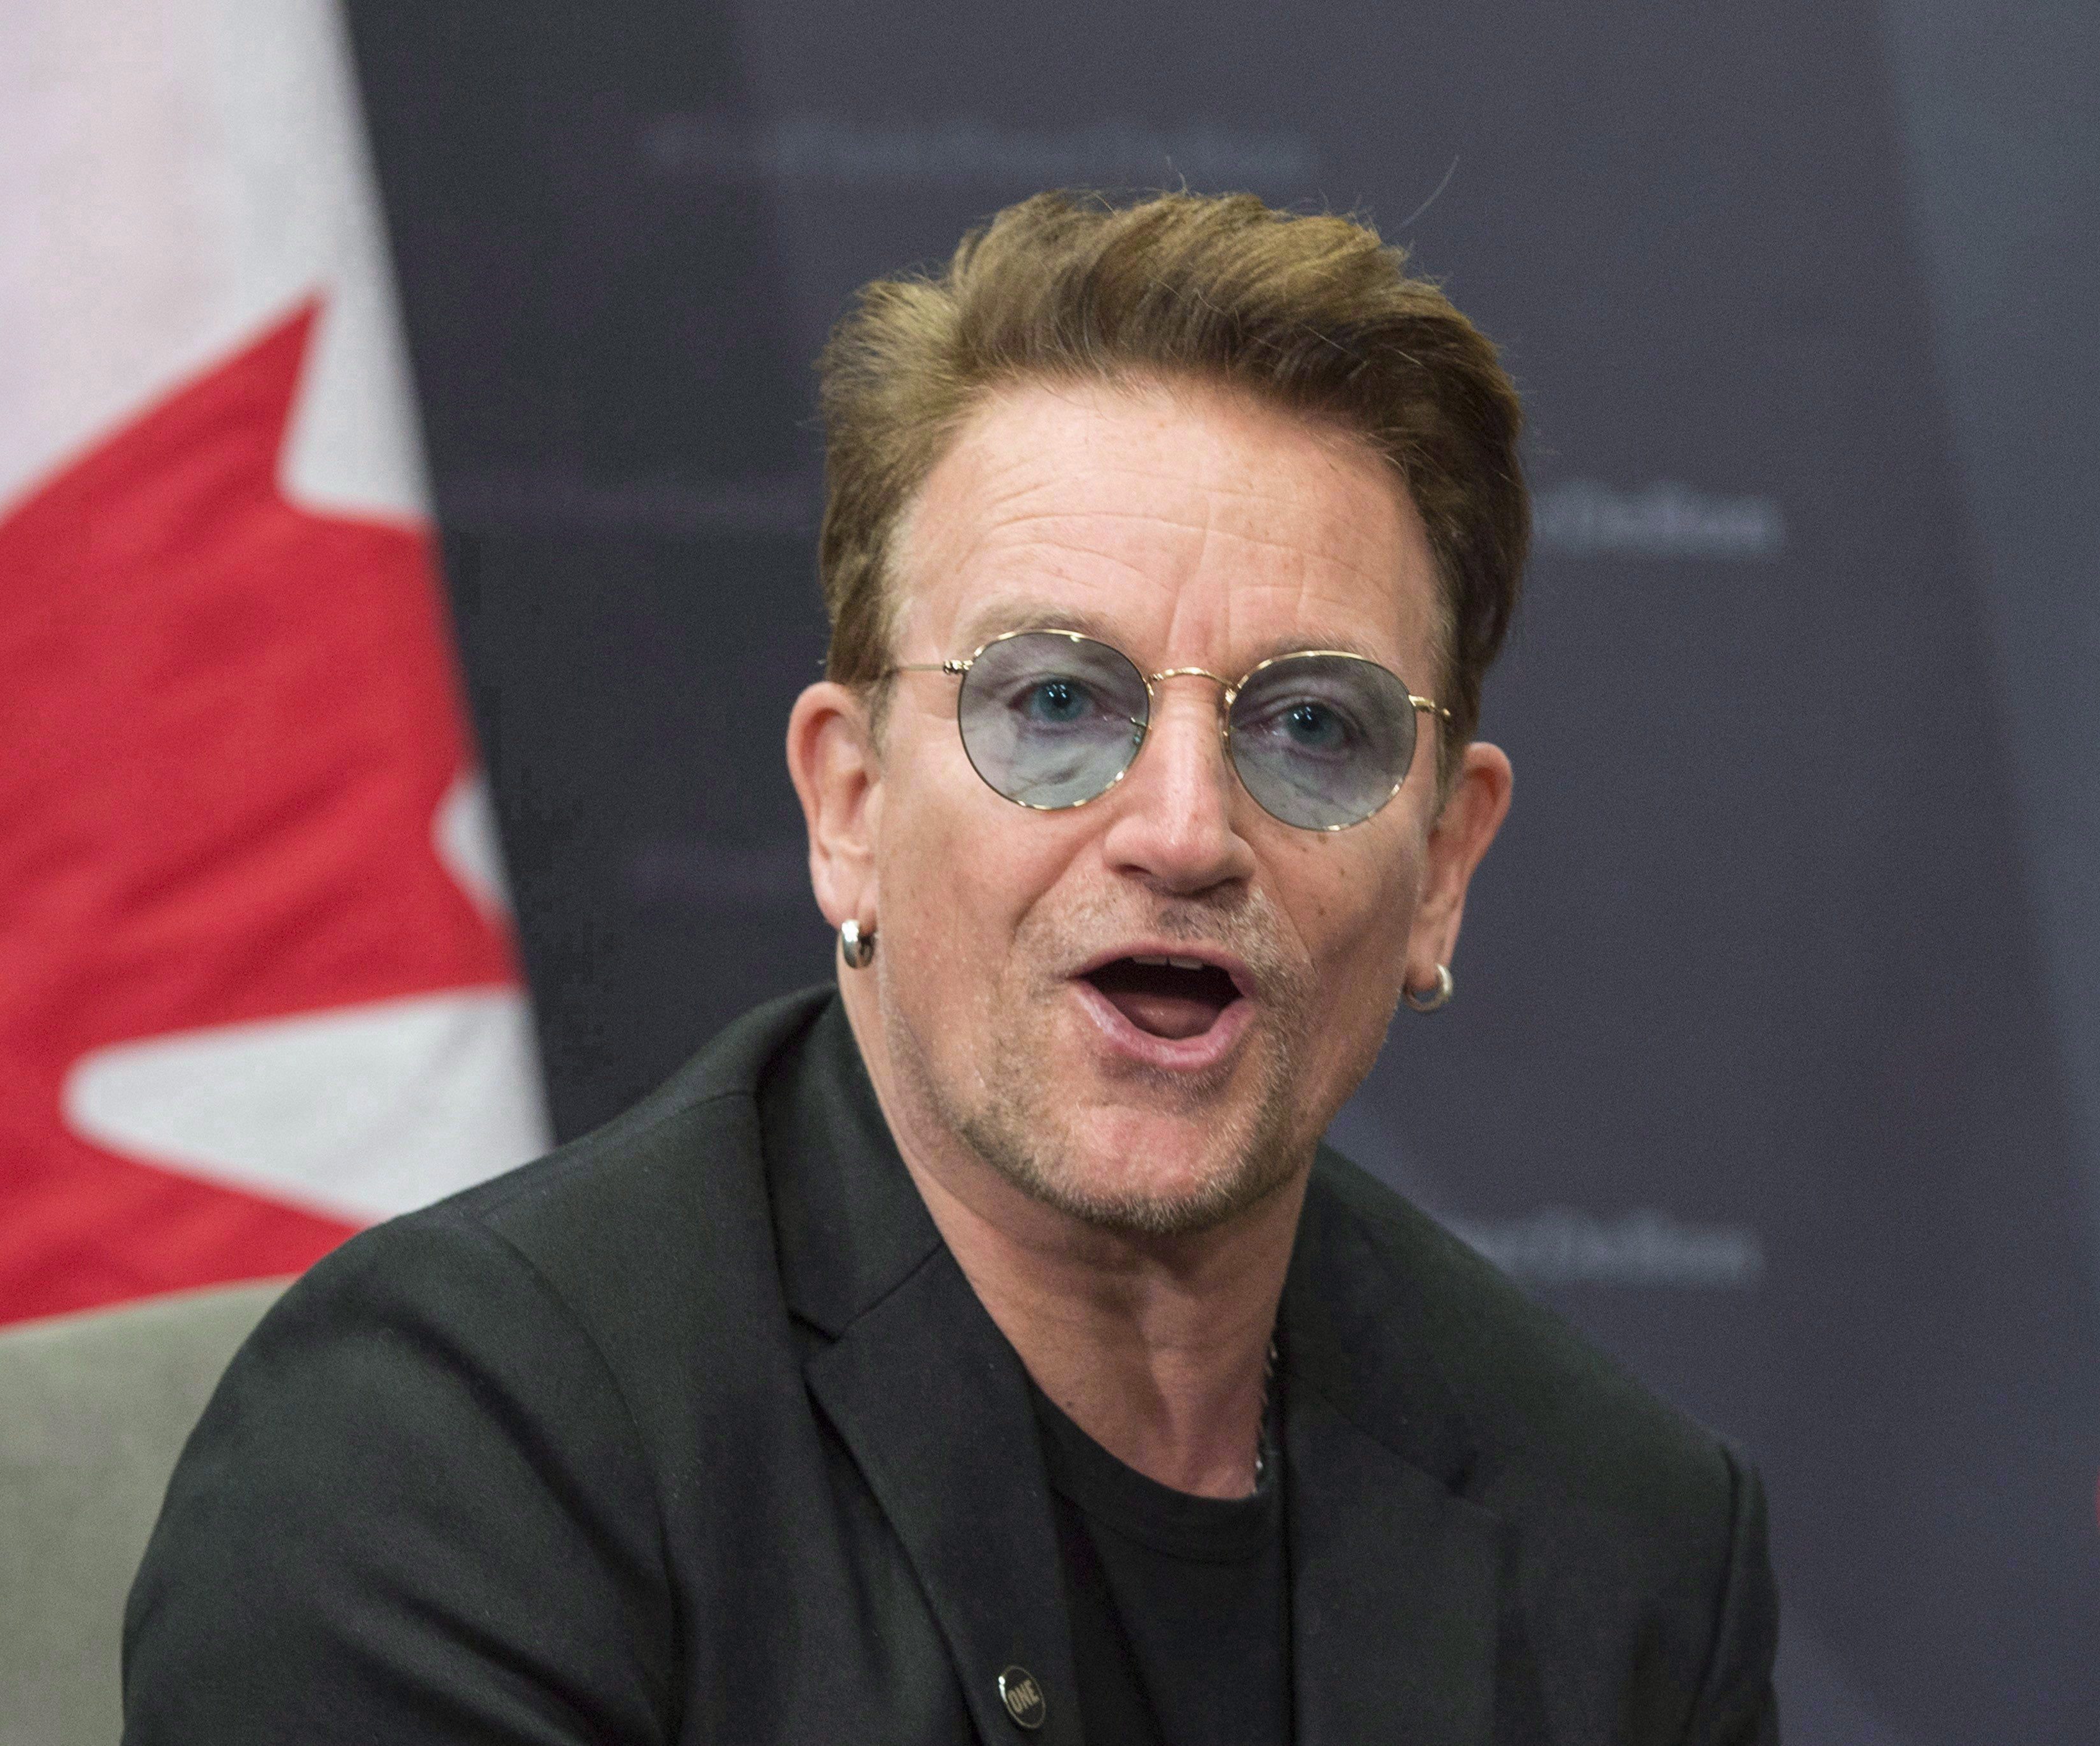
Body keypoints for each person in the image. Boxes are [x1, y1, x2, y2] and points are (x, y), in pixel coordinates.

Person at [124, 191, 1780, 1745]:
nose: (1183, 830)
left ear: (1440, 870)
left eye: (1310, 729)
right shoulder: (457, 1458)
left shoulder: (1624, 1547)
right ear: (849, 807)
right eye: (1054, 704)